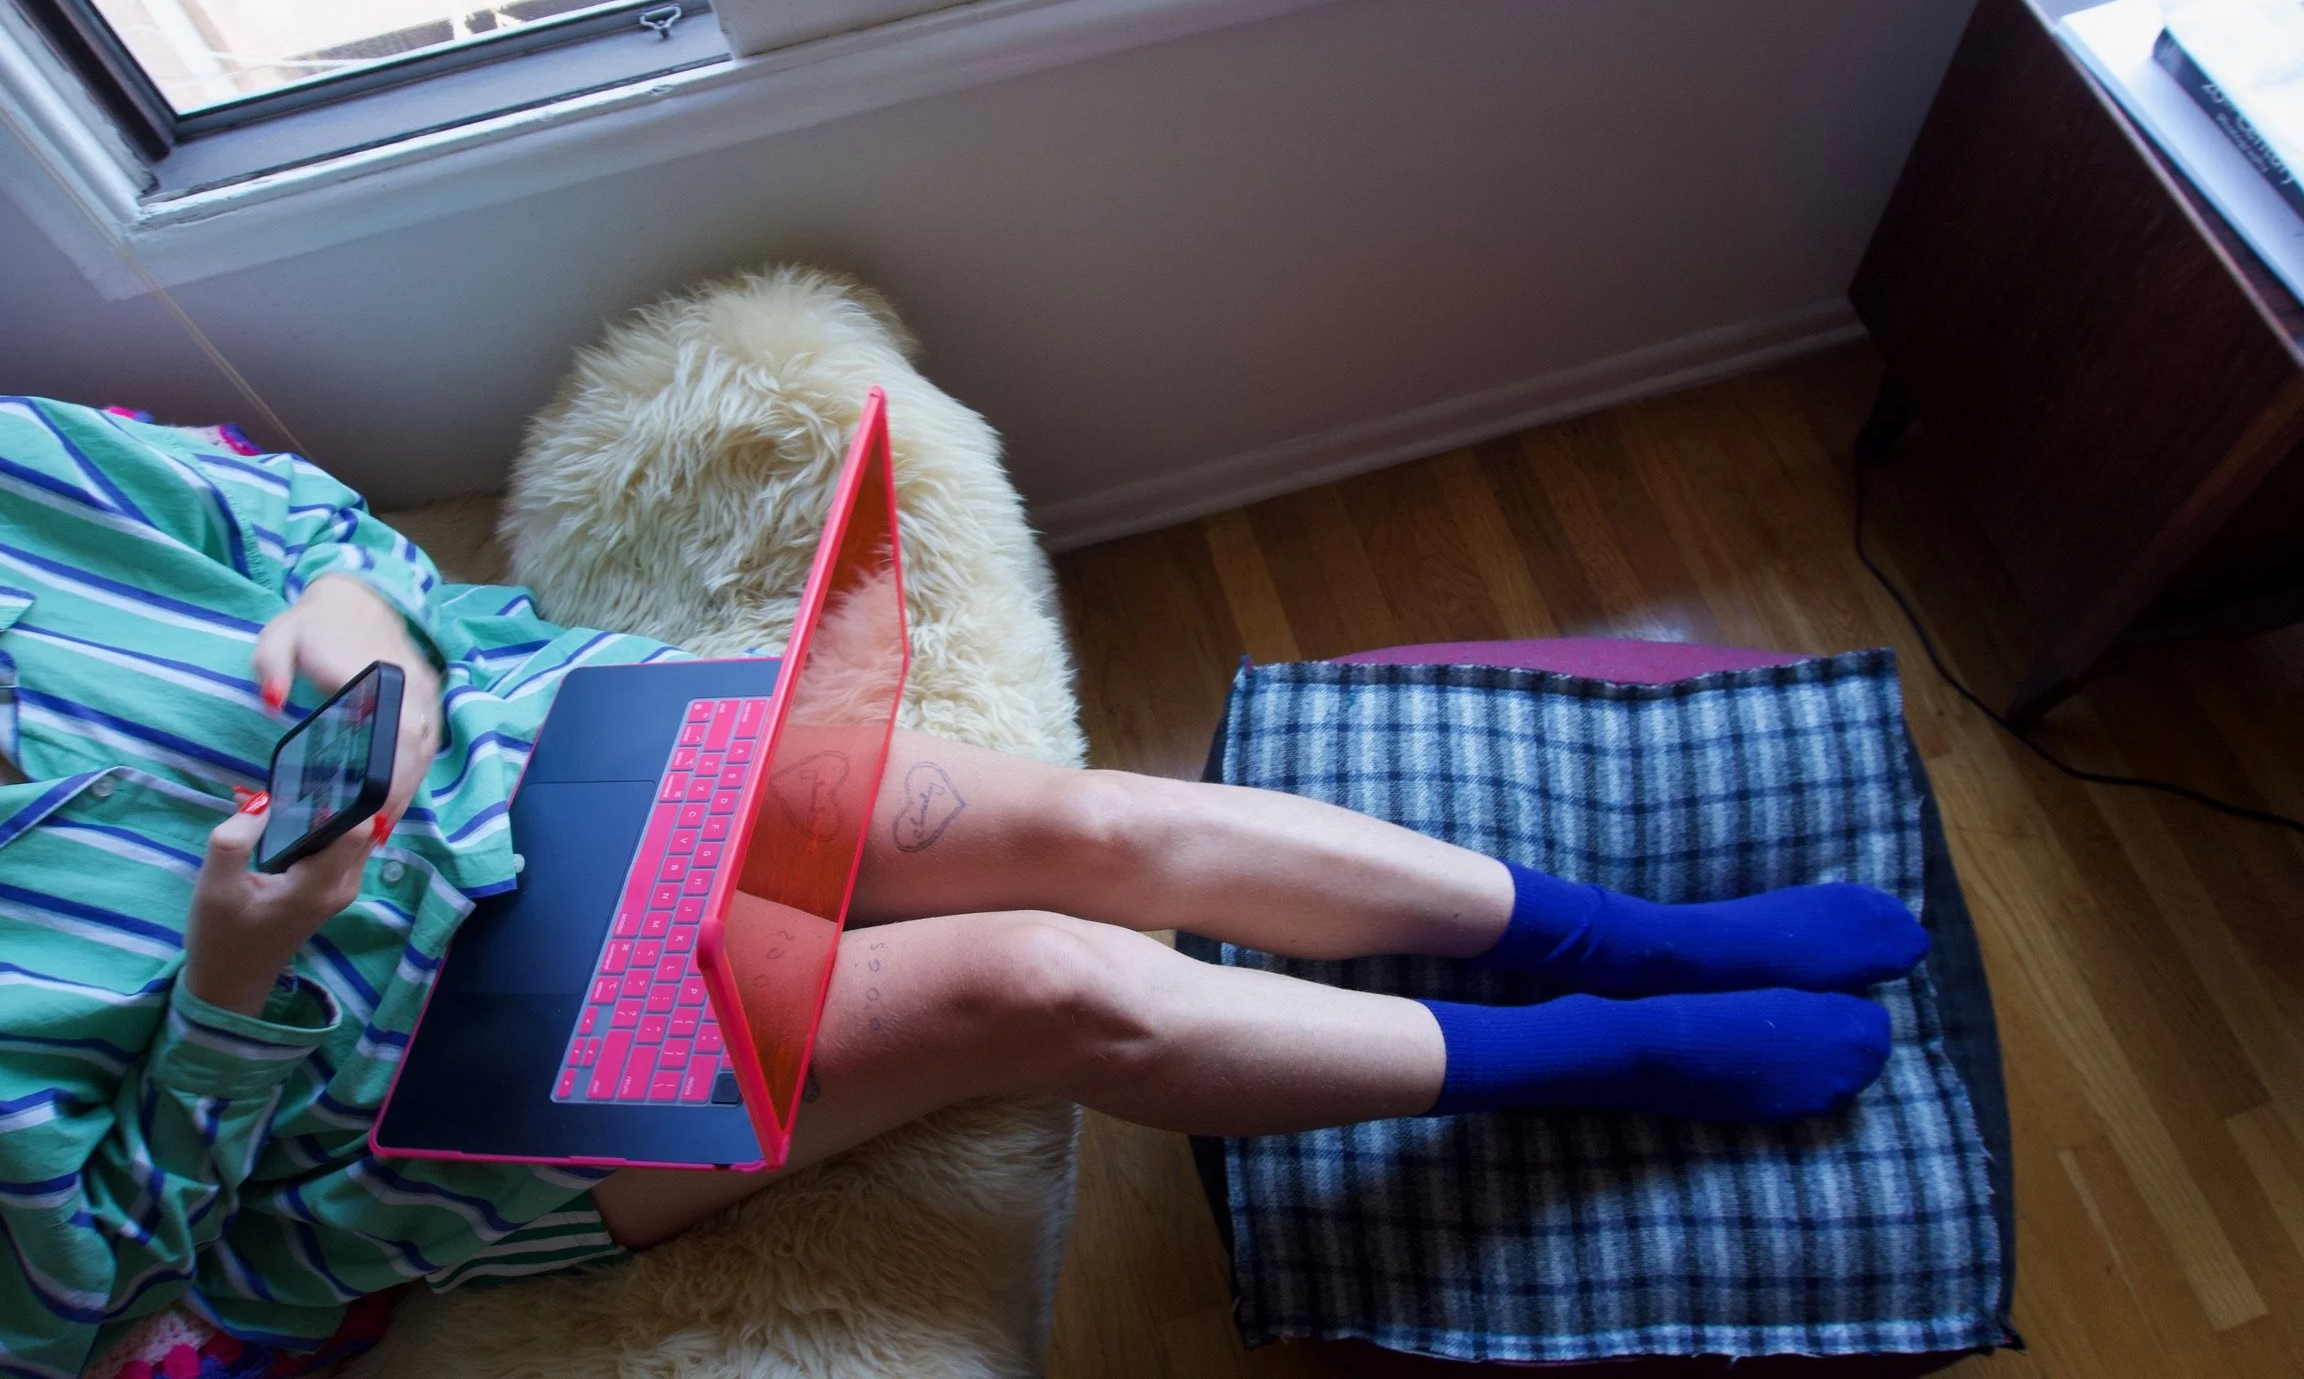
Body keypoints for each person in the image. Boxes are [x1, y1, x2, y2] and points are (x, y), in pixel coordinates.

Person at [0, 397, 1926, 1375]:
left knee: (1106, 831)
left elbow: (288, 514)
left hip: (544, 763)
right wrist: (237, 988)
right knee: (1039, 981)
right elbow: (93, 1292)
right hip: (403, 1105)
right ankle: (1608, 1053)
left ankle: (1613, 935)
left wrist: (374, 647)